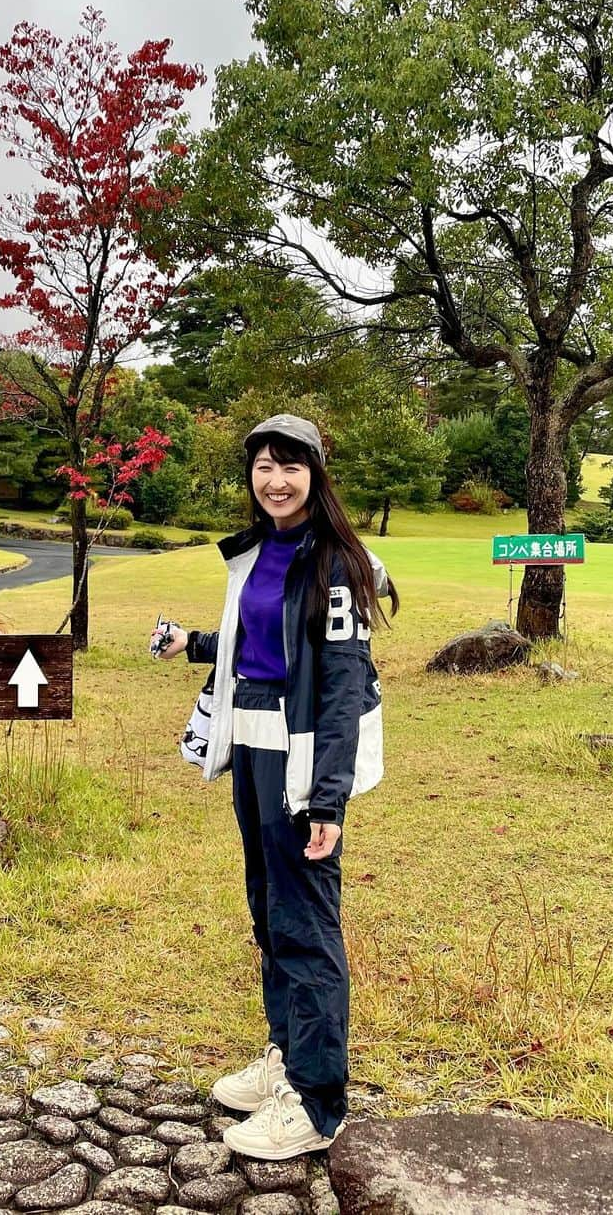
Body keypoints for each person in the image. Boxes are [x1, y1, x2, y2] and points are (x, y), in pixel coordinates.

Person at [152, 413, 398, 1161]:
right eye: (263, 464)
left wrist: (328, 797)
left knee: (306, 922)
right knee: (268, 907)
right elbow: (258, 641)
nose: (276, 479)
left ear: (316, 474)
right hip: (252, 747)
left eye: (291, 465)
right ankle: (285, 1055)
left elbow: (342, 684)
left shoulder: (337, 563)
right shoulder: (258, 550)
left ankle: (318, 1100)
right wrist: (189, 642)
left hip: (302, 756)